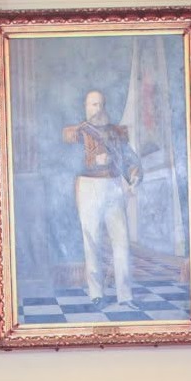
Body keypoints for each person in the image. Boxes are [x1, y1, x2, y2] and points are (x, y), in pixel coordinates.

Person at [63, 89, 139, 308]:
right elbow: (67, 165)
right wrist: (93, 162)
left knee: (122, 243)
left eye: (100, 104)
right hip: (88, 187)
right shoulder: (76, 134)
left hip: (114, 187)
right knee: (92, 242)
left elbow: (130, 159)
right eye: (93, 105)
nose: (98, 109)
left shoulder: (117, 133)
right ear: (86, 108)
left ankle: (125, 296)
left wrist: (134, 174)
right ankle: (96, 294)